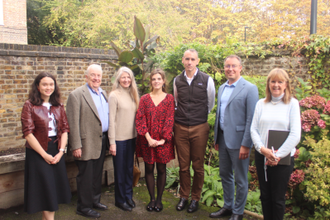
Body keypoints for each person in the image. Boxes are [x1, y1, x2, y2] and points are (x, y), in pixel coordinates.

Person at [210, 55, 259, 220]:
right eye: (227, 66)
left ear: (240, 68)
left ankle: (238, 212)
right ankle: (228, 206)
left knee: (240, 178)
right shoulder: (222, 87)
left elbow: (251, 119)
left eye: (233, 66)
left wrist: (246, 144)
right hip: (223, 139)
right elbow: (219, 115)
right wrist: (217, 138)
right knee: (224, 174)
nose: (230, 69)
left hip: (239, 142)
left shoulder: (250, 89)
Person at [250, 68, 301, 220]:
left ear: (286, 85)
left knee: (278, 199)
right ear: (268, 84)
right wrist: (262, 149)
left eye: (280, 82)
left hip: (282, 159)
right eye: (273, 81)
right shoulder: (261, 104)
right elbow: (253, 129)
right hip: (262, 156)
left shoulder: (292, 104)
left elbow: (295, 135)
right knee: (265, 196)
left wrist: (276, 155)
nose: (276, 85)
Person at [21, 72, 71, 220]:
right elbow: (28, 134)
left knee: (53, 192)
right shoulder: (29, 105)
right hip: (38, 153)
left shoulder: (58, 105)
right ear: (37, 86)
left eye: (51, 84)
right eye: (44, 84)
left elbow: (64, 129)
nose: (48, 87)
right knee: (47, 192)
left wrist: (61, 152)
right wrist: (44, 155)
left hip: (56, 151)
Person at [174, 49, 215, 213]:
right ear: (183, 61)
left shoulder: (206, 79)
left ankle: (195, 198)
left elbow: (210, 103)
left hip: (199, 127)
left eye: (192, 59)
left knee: (198, 166)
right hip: (181, 127)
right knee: (183, 166)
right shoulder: (177, 80)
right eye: (187, 59)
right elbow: (176, 101)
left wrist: (199, 117)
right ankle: (184, 196)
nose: (189, 62)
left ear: (197, 61)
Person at [66, 64, 109, 218]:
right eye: (93, 75)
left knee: (97, 174)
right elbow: (72, 122)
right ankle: (83, 207)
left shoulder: (103, 93)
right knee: (86, 176)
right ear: (86, 77)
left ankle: (94, 201)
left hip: (101, 140)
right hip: (86, 143)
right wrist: (76, 145)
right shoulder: (77, 95)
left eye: (98, 76)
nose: (96, 78)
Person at [135, 68, 175, 212]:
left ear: (163, 81)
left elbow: (170, 119)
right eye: (154, 79)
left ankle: (159, 199)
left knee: (162, 169)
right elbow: (140, 118)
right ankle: (151, 199)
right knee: (149, 168)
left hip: (163, 141)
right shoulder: (145, 99)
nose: (156, 81)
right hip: (147, 140)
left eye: (159, 79)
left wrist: (163, 140)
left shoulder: (169, 98)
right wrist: (148, 138)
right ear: (150, 82)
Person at [108, 66, 139, 212]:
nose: (126, 80)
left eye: (128, 77)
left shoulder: (133, 94)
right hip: (119, 140)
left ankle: (128, 196)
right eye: (123, 77)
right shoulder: (114, 95)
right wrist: (112, 142)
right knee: (119, 171)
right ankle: (119, 200)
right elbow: (111, 120)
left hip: (131, 138)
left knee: (128, 170)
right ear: (118, 79)